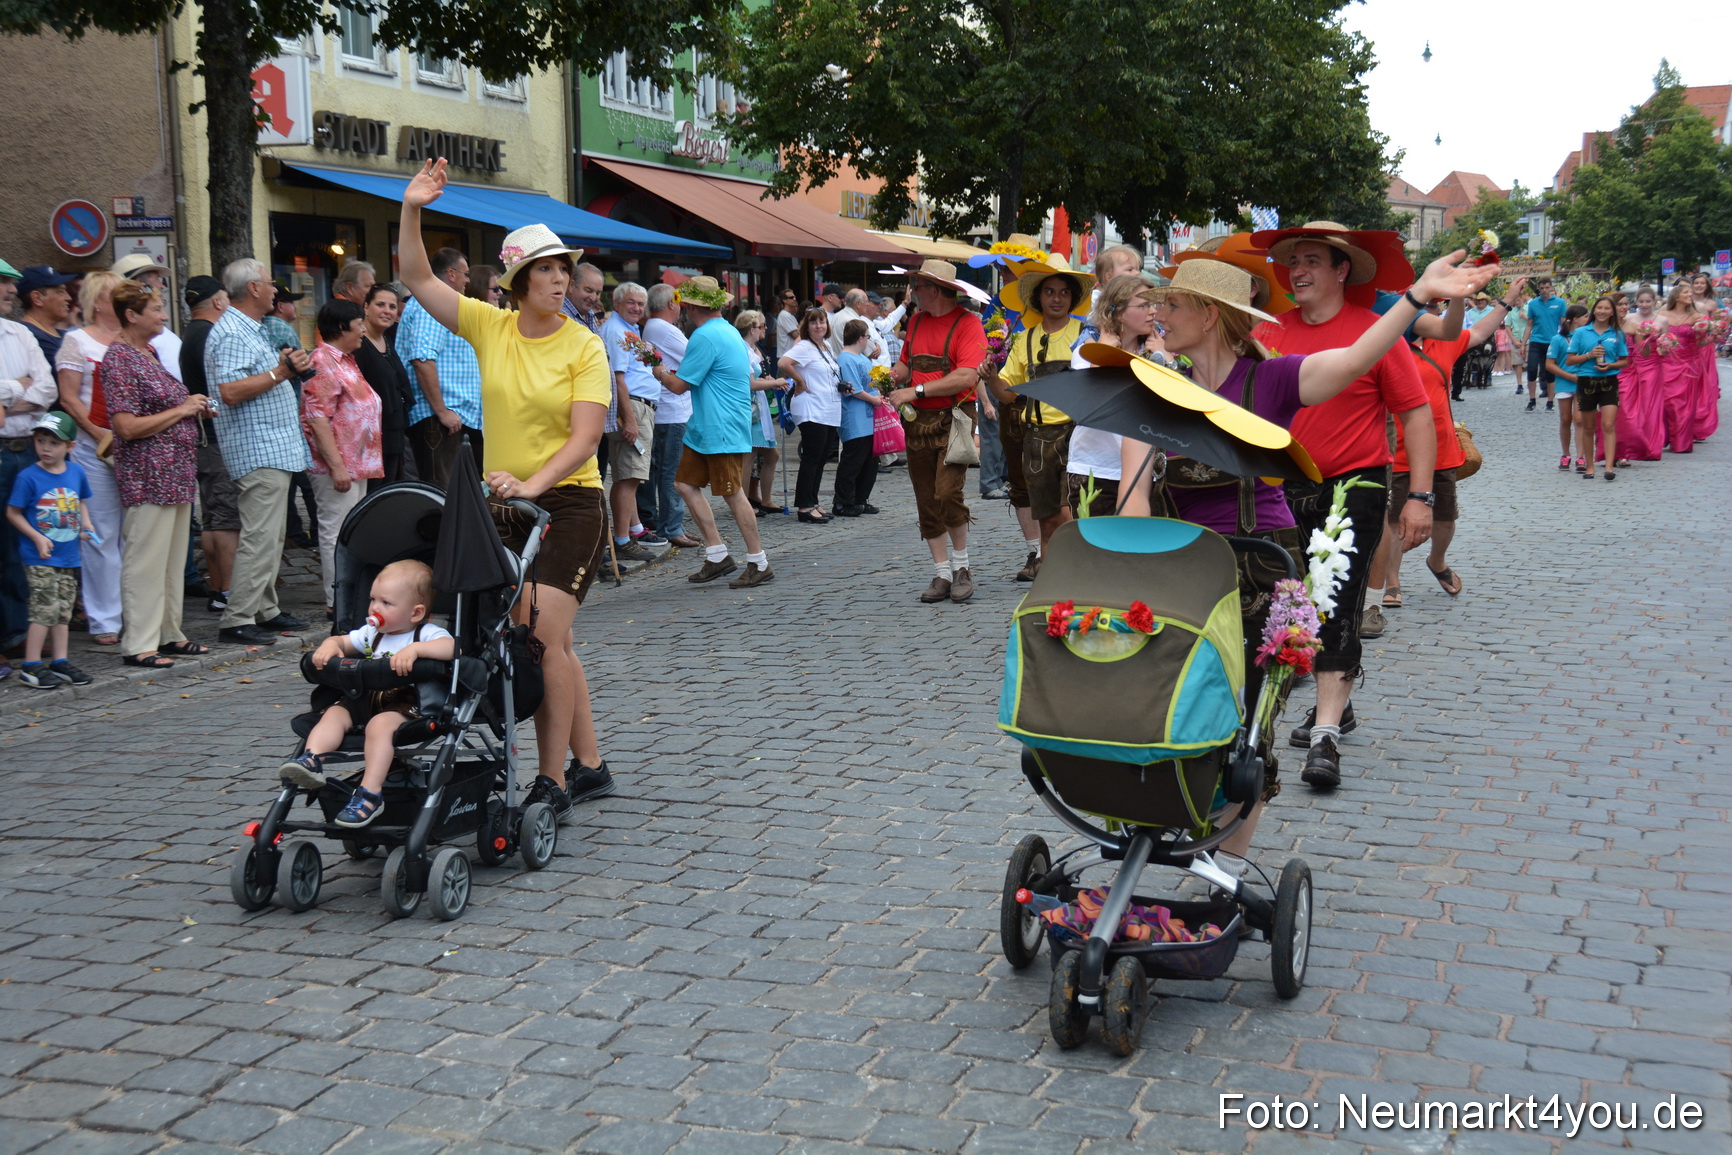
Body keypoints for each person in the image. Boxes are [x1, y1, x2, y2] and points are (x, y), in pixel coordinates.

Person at [1114, 248, 1495, 844]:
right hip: (1182, 575)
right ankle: (1173, 825)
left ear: (1210, 315)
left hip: (1261, 574)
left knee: (1245, 735)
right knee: (1176, 714)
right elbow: (1131, 506)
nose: (1160, 312)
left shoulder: (1271, 379)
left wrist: (1417, 299)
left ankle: (1227, 865)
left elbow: (1356, 356)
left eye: (1174, 303)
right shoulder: (1152, 389)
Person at [399, 165, 615, 817]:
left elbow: (583, 440)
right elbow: (415, 277)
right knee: (550, 642)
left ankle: (551, 779)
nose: (560, 280)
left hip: (571, 502)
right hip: (507, 504)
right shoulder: (489, 327)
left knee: (543, 640)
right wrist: (412, 209)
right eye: (547, 270)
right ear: (520, 281)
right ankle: (593, 765)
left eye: (563, 270)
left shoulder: (584, 344)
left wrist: (532, 483)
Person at [1247, 221, 1443, 791]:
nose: (1298, 271)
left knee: (1335, 600)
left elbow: (1415, 415)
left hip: (1352, 485)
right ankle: (1334, 704)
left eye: (1312, 260)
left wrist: (1421, 498)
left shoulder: (1374, 333)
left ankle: (1326, 734)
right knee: (1286, 606)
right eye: (1293, 262)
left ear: (1341, 271)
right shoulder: (1268, 333)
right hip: (1279, 486)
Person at [1367, 284, 1521, 626]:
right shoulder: (1386, 345)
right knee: (1393, 521)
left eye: (1433, 309)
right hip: (1397, 448)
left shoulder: (1444, 343)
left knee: (1446, 517)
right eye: (1424, 309)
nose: (1428, 315)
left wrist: (1505, 302)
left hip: (1441, 448)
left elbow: (1480, 330)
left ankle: (1437, 560)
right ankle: (1392, 580)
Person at [279, 559, 456, 828]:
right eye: (373, 599)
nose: (374, 607)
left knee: (379, 726)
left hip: (403, 704)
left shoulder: (425, 633)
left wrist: (417, 651)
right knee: (334, 714)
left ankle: (370, 793)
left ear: (416, 613)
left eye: (386, 603)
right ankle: (312, 760)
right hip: (363, 696)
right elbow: (343, 641)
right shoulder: (371, 633)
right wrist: (330, 645)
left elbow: (453, 649)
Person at [204, 257, 315, 645]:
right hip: (257, 447)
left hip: (271, 446)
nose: (274, 290)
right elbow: (230, 392)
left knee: (271, 534)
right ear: (252, 288)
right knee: (259, 535)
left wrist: (284, 369)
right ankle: (237, 618)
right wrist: (279, 373)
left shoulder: (247, 328)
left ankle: (264, 608)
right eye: (270, 283)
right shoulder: (233, 332)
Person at [103, 281, 210, 669]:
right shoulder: (119, 358)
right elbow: (126, 426)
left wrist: (191, 407)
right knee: (145, 559)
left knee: (169, 559)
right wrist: (182, 410)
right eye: (156, 309)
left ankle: (169, 632)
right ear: (131, 315)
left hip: (174, 472)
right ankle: (139, 642)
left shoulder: (146, 353)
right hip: (148, 474)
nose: (164, 316)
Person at [651, 276, 773, 587]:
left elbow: (679, 386)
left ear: (692, 307)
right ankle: (717, 554)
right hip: (709, 427)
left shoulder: (704, 336)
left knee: (732, 493)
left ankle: (758, 561)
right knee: (684, 483)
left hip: (719, 427)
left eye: (685, 306)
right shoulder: (727, 331)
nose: (683, 311)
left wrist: (658, 370)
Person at [883, 260, 987, 603]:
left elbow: (967, 376)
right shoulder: (915, 321)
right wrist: (890, 377)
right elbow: (906, 363)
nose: (913, 292)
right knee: (926, 499)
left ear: (935, 290)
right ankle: (941, 573)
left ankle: (961, 567)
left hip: (955, 419)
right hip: (918, 423)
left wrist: (916, 391)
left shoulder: (968, 324)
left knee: (947, 493)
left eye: (919, 286)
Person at [989, 258, 1093, 581]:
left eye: (1063, 292)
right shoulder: (1026, 340)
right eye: (1050, 291)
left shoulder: (1085, 335)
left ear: (1072, 298)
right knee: (1047, 522)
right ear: (1039, 297)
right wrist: (992, 376)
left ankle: (1078, 580)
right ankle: (1051, 587)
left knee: (1071, 516)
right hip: (1037, 441)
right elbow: (1007, 394)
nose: (1057, 298)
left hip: (1077, 438)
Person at [54, 271, 126, 645]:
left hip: (133, 448)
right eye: (116, 294)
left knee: (134, 534)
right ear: (98, 301)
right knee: (99, 534)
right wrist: (99, 435)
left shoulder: (134, 341)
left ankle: (134, 611)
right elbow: (69, 398)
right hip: (92, 449)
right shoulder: (76, 342)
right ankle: (104, 619)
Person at [303, 298, 384, 608]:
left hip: (357, 464)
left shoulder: (346, 359)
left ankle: (351, 595)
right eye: (358, 323)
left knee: (352, 531)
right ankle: (337, 601)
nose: (364, 328)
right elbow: (316, 417)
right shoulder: (322, 360)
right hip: (336, 466)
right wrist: (336, 466)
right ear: (340, 328)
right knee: (336, 531)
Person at [5, 412, 96, 689]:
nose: (45, 448)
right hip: (40, 557)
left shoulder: (76, 472)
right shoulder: (28, 477)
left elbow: (80, 501)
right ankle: (31, 666)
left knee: (62, 612)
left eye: (54, 443)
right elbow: (13, 512)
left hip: (69, 555)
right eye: (41, 440)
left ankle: (60, 661)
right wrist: (36, 538)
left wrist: (87, 525)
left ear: (70, 447)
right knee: (44, 610)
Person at [1064, 273, 1162, 517]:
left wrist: (1164, 359)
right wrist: (1104, 354)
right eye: (1143, 305)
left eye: (1153, 305)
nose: (1153, 312)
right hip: (1096, 468)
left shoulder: (1156, 353)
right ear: (1117, 311)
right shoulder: (1088, 350)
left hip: (1144, 470)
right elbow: (1088, 403)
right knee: (1099, 551)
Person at [1, 275, 61, 665]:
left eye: (11, 284)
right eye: (3, 283)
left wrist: (6, 402)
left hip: (28, 451)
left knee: (32, 543)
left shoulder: (18, 334)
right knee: (3, 545)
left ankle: (20, 632)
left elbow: (48, 390)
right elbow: (33, 390)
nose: (11, 290)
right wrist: (20, 387)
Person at [179, 276, 239, 609]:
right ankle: (225, 591)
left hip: (204, 436)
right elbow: (216, 392)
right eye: (226, 298)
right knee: (225, 516)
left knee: (216, 515)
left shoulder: (192, 333)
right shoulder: (210, 334)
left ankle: (221, 588)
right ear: (217, 302)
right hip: (214, 436)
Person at [399, 248, 483, 488]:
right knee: (441, 498)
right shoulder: (431, 304)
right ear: (451, 274)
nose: (468, 280)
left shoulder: (443, 304)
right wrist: (442, 411)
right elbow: (422, 359)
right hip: (439, 420)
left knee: (458, 497)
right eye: (465, 274)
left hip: (452, 418)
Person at [598, 282, 666, 560]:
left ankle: (635, 528)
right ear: (617, 304)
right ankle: (623, 539)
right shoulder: (615, 330)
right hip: (633, 408)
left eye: (640, 303)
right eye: (631, 303)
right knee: (628, 476)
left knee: (634, 475)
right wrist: (628, 419)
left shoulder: (629, 328)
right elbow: (618, 377)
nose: (637, 308)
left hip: (640, 407)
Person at [642, 283, 698, 548]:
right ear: (671, 305)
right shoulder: (662, 327)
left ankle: (669, 524)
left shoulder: (655, 327)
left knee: (664, 471)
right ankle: (671, 527)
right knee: (672, 473)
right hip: (673, 411)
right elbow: (694, 355)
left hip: (670, 409)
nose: (680, 308)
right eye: (678, 303)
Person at [778, 309, 842, 523]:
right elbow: (783, 363)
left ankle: (813, 501)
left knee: (822, 457)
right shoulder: (804, 346)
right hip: (812, 408)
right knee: (812, 458)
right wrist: (799, 380)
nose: (818, 326)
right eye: (814, 323)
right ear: (807, 326)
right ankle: (804, 506)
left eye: (822, 322)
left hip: (828, 408)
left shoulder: (826, 346)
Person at [355, 283, 415, 487]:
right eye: (380, 304)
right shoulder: (358, 344)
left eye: (391, 306)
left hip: (393, 434)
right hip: (371, 440)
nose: (387, 311)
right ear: (366, 307)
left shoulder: (386, 341)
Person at [1566, 296, 1630, 481]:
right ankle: (1590, 466)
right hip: (1586, 381)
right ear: (1594, 311)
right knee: (1588, 426)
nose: (1602, 311)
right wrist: (1589, 355)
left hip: (1609, 381)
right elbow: (1570, 360)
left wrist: (1611, 365)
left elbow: (1624, 361)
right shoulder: (1581, 332)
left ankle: (1609, 466)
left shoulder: (1617, 334)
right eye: (1599, 308)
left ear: (1612, 312)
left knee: (1608, 424)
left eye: (1606, 308)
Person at [734, 310, 784, 515]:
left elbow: (760, 378)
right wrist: (775, 382)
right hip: (750, 407)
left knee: (771, 454)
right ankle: (743, 502)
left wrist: (768, 381)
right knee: (749, 455)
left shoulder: (755, 349)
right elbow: (750, 383)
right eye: (762, 326)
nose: (765, 329)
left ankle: (766, 498)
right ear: (753, 328)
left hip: (760, 405)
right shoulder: (743, 350)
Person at [833, 318, 885, 517]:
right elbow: (853, 389)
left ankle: (860, 498)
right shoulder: (846, 358)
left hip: (869, 415)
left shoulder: (861, 357)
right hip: (855, 415)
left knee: (870, 461)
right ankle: (843, 501)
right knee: (853, 460)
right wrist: (874, 399)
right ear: (861, 338)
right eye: (867, 337)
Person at [1618, 288, 1666, 463]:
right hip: (1631, 366)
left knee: (1650, 406)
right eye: (1641, 301)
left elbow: (1663, 345)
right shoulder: (1629, 320)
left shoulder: (1662, 320)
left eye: (1648, 301)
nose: (1645, 304)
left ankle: (1651, 444)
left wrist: (1664, 346)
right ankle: (1629, 443)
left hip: (1650, 364)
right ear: (1636, 302)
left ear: (1654, 301)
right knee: (1630, 409)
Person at [1655, 283, 1700, 454]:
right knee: (1667, 402)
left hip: (1688, 363)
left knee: (1685, 405)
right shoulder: (1662, 315)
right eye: (1687, 292)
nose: (1691, 294)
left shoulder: (1696, 317)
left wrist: (1712, 334)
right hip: (1666, 362)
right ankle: (1664, 436)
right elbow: (1656, 336)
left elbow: (1702, 342)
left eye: (1691, 292)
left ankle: (1681, 441)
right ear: (1676, 296)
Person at [1544, 304, 1590, 470]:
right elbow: (1550, 364)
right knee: (1565, 419)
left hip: (1583, 382)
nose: (1588, 320)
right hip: (1564, 382)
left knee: (1579, 419)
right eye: (1585, 317)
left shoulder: (1587, 337)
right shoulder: (1558, 339)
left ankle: (1580, 456)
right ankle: (1565, 454)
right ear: (1575, 319)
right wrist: (1569, 376)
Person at [1523, 278, 1568, 411]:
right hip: (1536, 340)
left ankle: (1550, 401)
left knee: (1549, 372)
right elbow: (1529, 324)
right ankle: (1532, 400)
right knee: (1531, 369)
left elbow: (1563, 323)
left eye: (1546, 288)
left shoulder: (1559, 303)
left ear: (1551, 288)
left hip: (1552, 341)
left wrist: (1567, 340)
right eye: (1541, 288)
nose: (1544, 291)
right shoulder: (1533, 304)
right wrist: (1523, 344)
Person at [16, 266, 77, 363]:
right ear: (37, 298)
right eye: (60, 292)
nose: (68, 297)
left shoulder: (63, 334)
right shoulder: (28, 336)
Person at [1688, 271, 1723, 442]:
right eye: (1697, 283)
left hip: (1705, 347)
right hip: (1690, 345)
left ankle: (1700, 421)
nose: (1699, 286)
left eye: (1702, 283)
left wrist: (1717, 330)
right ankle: (1687, 421)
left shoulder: (1712, 303)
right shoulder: (1686, 301)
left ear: (1707, 285)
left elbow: (1717, 326)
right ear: (1692, 285)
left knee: (1705, 384)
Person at [773, 288, 801, 361]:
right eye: (791, 297)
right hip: (786, 356)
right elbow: (796, 335)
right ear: (784, 300)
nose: (794, 299)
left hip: (790, 356)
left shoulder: (790, 316)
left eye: (794, 297)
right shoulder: (785, 315)